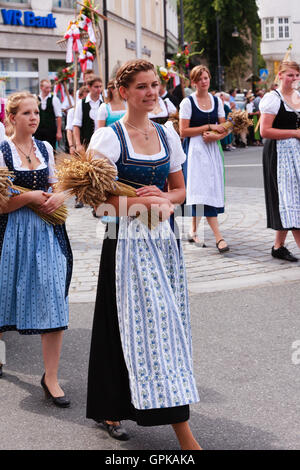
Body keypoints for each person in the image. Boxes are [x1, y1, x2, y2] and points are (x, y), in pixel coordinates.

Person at [86, 59, 201, 450]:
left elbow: (180, 191)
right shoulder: (109, 138)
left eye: (155, 85)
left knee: (161, 325)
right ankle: (122, 410)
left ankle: (124, 404)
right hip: (124, 246)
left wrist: (164, 199)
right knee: (126, 326)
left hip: (164, 244)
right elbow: (98, 206)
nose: (151, 93)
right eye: (141, 87)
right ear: (123, 92)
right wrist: (140, 205)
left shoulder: (167, 133)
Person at [0, 92, 73, 405]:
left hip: (47, 232)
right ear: (12, 117)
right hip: (12, 232)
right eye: (26, 113)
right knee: (4, 296)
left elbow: (60, 185)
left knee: (54, 297)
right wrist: (29, 198)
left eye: (36, 112)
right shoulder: (2, 151)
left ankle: (51, 377)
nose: (34, 117)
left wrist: (59, 196)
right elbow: (1, 205)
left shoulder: (45, 148)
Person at [179, 65, 229, 252]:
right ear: (194, 82)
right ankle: (219, 237)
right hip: (195, 150)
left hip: (212, 149)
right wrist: (208, 126)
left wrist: (217, 136)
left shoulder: (216, 101)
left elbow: (225, 127)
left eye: (206, 78)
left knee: (205, 189)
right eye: (200, 79)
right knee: (201, 189)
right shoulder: (188, 103)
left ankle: (192, 230)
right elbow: (183, 131)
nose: (204, 81)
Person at [260, 60, 300, 262]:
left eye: (296, 75)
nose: (293, 79)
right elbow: (264, 131)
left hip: (296, 154)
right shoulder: (272, 98)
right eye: (290, 75)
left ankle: (278, 246)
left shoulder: (297, 97)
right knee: (290, 199)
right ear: (280, 75)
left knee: (291, 199)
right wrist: (294, 133)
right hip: (279, 153)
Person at [73, 76, 103, 152]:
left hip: (102, 142)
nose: (99, 89)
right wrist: (78, 144)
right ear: (89, 87)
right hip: (86, 143)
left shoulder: (105, 102)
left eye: (100, 86)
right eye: (96, 87)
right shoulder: (81, 103)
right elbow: (76, 125)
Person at [34, 79, 62, 150]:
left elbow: (59, 116)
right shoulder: (35, 99)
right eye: (47, 88)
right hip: (37, 131)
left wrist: (59, 132)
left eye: (50, 88)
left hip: (51, 131)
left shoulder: (54, 99)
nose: (49, 90)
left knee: (51, 151)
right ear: (41, 87)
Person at [65, 86, 89, 155]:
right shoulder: (72, 111)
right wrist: (71, 146)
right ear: (80, 97)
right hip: (77, 146)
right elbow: (69, 129)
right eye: (85, 98)